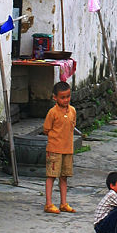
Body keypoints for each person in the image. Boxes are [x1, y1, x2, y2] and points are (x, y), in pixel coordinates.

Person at [43, 80, 76, 214]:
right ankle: (49, 204)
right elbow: (46, 129)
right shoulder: (52, 112)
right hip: (55, 149)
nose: (66, 100)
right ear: (55, 98)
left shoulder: (73, 110)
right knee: (51, 176)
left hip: (68, 149)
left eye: (68, 96)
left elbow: (72, 125)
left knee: (64, 176)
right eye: (62, 97)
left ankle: (63, 203)